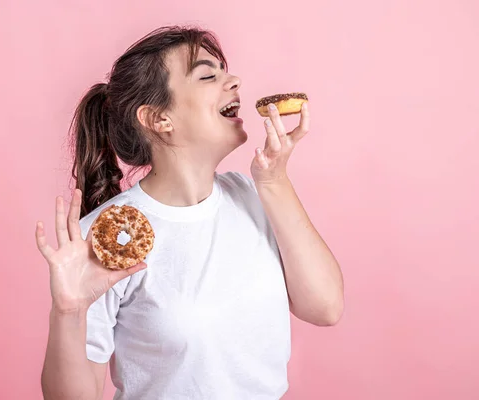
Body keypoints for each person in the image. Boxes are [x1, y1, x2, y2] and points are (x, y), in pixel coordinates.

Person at [35, 25, 344, 400]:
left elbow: (325, 307)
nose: (235, 81)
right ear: (158, 119)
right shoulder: (108, 238)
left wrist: (275, 180)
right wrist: (68, 311)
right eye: (208, 75)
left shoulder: (254, 195)